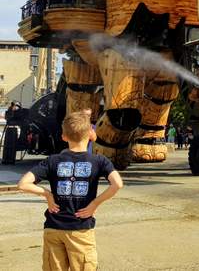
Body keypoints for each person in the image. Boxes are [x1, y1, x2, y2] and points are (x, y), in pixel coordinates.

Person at [17, 110, 123, 271]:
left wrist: (47, 194)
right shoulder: (99, 161)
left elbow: (23, 184)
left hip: (53, 228)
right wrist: (95, 204)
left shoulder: (52, 161)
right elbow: (117, 184)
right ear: (90, 134)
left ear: (64, 137)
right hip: (80, 229)